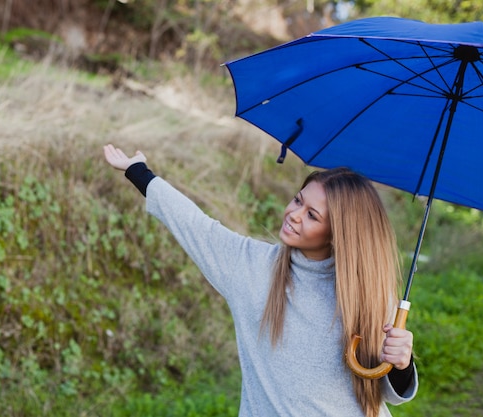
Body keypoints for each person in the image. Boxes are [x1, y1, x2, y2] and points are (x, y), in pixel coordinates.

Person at [103, 144, 418, 417]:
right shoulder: (249, 267)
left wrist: (401, 364)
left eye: (312, 215)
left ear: (339, 234)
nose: (294, 214)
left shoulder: (367, 294)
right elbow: (195, 225)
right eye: (297, 201)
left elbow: (385, 392)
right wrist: (138, 171)